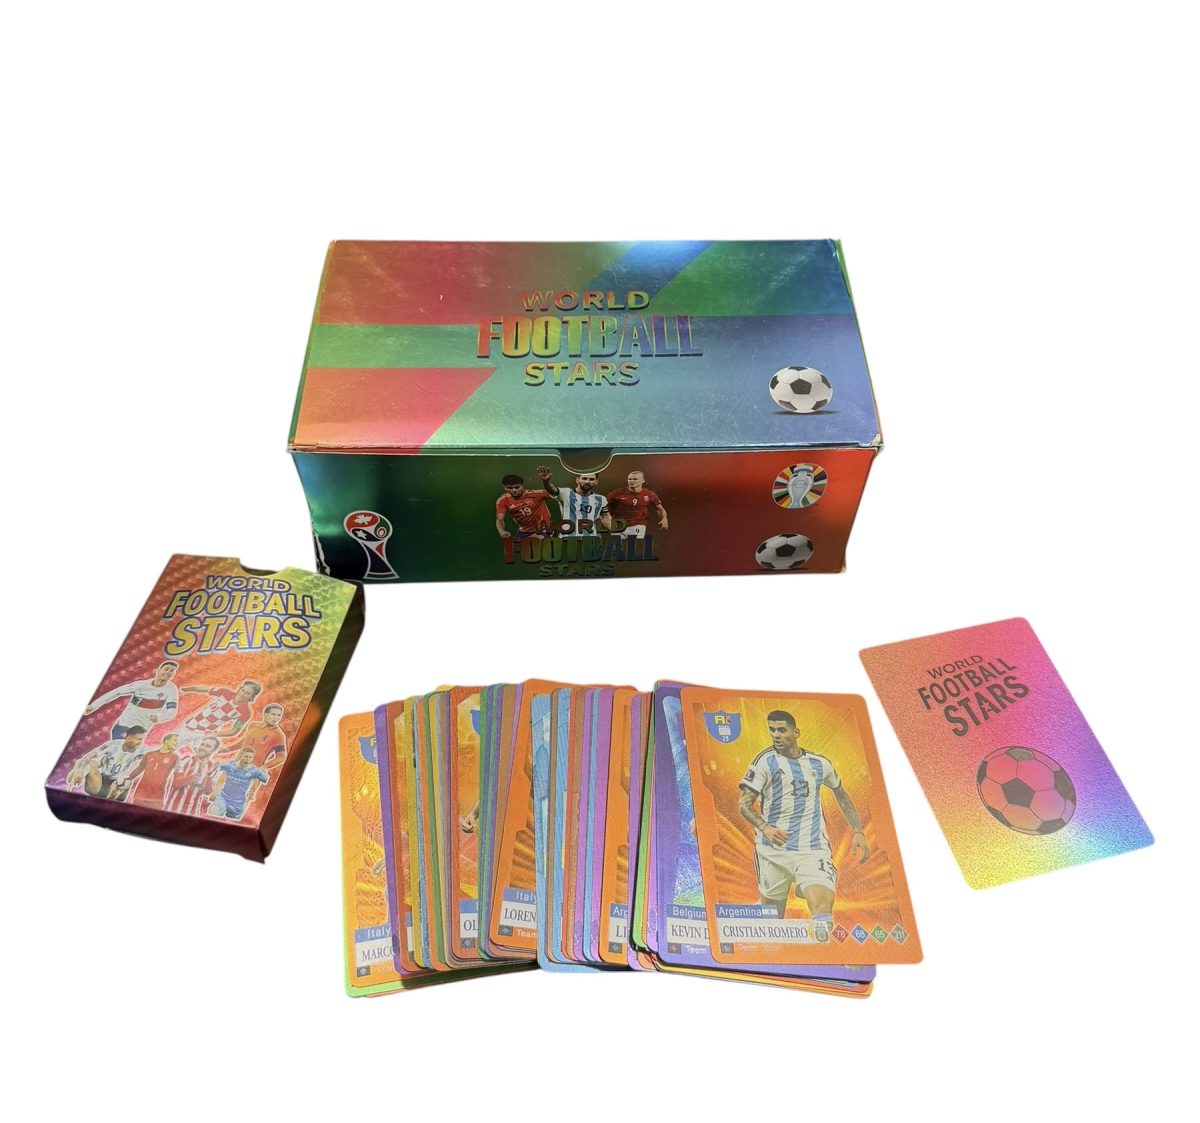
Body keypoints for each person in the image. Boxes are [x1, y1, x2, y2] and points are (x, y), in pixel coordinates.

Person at [737, 710, 869, 934]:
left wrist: (858, 830)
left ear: (796, 732)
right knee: (772, 924)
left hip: (812, 849)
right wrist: (765, 828)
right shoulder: (764, 762)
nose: (776, 735)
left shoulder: (819, 764)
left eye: (782, 730)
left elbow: (840, 792)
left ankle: (822, 951)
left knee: (822, 909)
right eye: (772, 730)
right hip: (772, 852)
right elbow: (744, 804)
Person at [84, 661, 179, 739]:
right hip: (125, 723)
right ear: (158, 670)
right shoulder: (141, 685)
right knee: (114, 749)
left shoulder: (171, 689)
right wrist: (94, 705)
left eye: (171, 671)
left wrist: (159, 717)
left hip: (142, 728)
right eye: (166, 669)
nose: (168, 672)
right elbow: (117, 692)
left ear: (173, 675)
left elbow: (171, 710)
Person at [66, 726, 149, 800]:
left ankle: (110, 800)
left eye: (143, 739)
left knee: (127, 779)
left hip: (120, 783)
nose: (141, 742)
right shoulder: (112, 744)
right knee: (87, 763)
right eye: (139, 739)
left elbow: (138, 765)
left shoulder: (142, 750)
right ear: (128, 738)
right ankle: (75, 777)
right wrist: (80, 770)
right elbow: (90, 755)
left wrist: (124, 778)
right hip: (100, 782)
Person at [538, 465, 610, 537]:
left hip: (590, 539)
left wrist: (613, 531)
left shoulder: (601, 499)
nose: (588, 482)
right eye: (584, 478)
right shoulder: (566, 493)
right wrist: (546, 482)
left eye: (591, 479)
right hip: (567, 539)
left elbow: (606, 516)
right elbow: (552, 490)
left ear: (596, 481)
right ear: (577, 480)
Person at [177, 680, 261, 741]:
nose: (242, 694)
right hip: (190, 725)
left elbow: (234, 731)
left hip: (203, 735)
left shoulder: (246, 713)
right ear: (240, 689)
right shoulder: (225, 692)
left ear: (251, 697)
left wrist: (214, 734)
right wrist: (186, 689)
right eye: (243, 690)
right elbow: (205, 689)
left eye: (247, 693)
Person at [207, 747, 270, 821]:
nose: (248, 759)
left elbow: (267, 780)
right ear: (240, 756)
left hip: (238, 803)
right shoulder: (230, 765)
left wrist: (265, 772)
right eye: (246, 756)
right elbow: (217, 765)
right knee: (213, 811)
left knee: (231, 823)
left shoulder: (254, 771)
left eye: (250, 757)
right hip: (224, 798)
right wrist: (211, 772)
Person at [121, 733, 182, 809]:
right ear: (166, 741)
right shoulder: (149, 754)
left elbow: (176, 775)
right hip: (141, 792)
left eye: (177, 741)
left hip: (157, 795)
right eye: (175, 740)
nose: (176, 743)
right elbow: (140, 768)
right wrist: (128, 778)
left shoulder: (175, 758)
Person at [163, 736, 220, 816]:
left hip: (192, 812)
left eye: (208, 746)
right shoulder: (186, 760)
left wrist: (209, 775)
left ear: (214, 750)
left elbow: (207, 792)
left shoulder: (213, 767)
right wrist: (195, 775)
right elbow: (175, 784)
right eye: (202, 744)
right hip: (172, 809)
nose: (203, 747)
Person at [220, 703, 287, 770]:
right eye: (273, 714)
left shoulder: (278, 734)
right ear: (265, 714)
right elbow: (244, 742)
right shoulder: (253, 725)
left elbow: (281, 757)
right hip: (237, 764)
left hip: (252, 770)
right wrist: (228, 749)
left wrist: (264, 767)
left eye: (279, 715)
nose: (276, 718)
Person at [606, 470, 668, 538]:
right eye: (630, 479)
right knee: (618, 545)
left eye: (635, 479)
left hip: (638, 525)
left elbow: (660, 509)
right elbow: (603, 504)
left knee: (634, 544)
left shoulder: (649, 494)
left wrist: (664, 518)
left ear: (643, 480)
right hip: (619, 525)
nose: (631, 481)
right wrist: (607, 518)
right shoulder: (617, 493)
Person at [495, 473, 554, 539]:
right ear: (505, 488)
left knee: (532, 541)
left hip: (543, 529)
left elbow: (555, 492)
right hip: (524, 531)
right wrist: (502, 531)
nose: (514, 490)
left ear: (522, 486)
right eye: (510, 488)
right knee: (516, 545)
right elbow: (500, 520)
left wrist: (546, 482)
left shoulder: (535, 494)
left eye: (517, 487)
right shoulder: (503, 500)